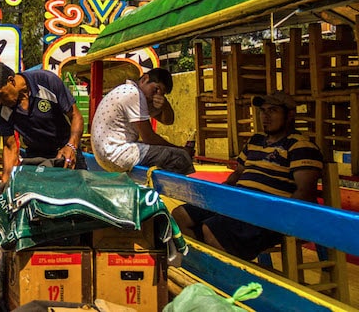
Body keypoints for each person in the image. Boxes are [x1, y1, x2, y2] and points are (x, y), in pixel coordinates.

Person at [171, 91, 323, 261]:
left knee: (211, 229)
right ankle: (205, 267)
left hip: (266, 213)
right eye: (262, 111)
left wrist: (281, 221)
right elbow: (237, 174)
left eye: (272, 111)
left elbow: (304, 191)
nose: (265, 116)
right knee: (179, 216)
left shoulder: (300, 145)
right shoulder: (255, 141)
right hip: (236, 203)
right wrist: (221, 194)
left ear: (290, 115)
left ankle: (228, 279)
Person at [0, 62, 86, 184]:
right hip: (35, 158)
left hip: (65, 152)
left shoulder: (47, 81)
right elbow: (10, 146)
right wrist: (6, 178)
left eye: (0, 95)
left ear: (11, 81)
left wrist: (71, 146)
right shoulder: (1, 107)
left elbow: (76, 116)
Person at [90, 67, 195, 175]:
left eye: (161, 94)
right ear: (145, 79)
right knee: (180, 157)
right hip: (116, 154)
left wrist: (165, 105)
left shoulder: (131, 92)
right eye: (155, 89)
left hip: (106, 154)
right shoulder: (133, 94)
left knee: (169, 153)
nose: (156, 95)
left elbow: (168, 121)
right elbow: (149, 138)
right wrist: (181, 150)